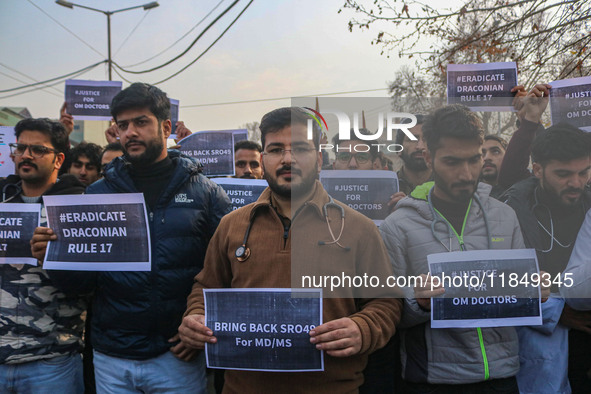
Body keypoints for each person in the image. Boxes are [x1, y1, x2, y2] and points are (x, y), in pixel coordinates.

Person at [178, 107, 402, 393]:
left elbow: (386, 302)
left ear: (320, 159)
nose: (287, 159)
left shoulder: (360, 228)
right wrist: (195, 315)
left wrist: (363, 328)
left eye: (299, 148)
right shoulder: (231, 226)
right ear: (263, 158)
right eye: (275, 149)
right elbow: (205, 288)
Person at [31, 83, 232, 393]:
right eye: (122, 125)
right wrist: (53, 258)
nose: (130, 133)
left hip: (177, 356)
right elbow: (81, 285)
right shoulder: (97, 193)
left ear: (166, 127)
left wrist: (198, 328)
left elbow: (227, 273)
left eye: (141, 122)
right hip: (112, 358)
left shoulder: (206, 193)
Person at [380, 104, 526, 393]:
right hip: (434, 380)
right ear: (429, 158)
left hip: (502, 375)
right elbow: (386, 311)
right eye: (452, 162)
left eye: (474, 160)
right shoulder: (398, 225)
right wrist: (417, 302)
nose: (466, 173)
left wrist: (533, 290)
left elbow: (519, 296)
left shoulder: (504, 215)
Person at [0, 118, 86, 393]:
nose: (26, 155)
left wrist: (54, 257)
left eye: (37, 149)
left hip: (51, 362)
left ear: (59, 159)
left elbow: (89, 286)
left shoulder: (78, 207)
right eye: (20, 147)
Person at [504, 122, 591, 394]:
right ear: (538, 169)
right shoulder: (511, 212)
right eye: (563, 174)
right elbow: (499, 287)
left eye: (585, 172)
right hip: (536, 352)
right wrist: (558, 312)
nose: (576, 183)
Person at [389, 114, 432, 210]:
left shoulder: (446, 188)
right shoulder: (388, 188)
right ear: (399, 149)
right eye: (412, 139)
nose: (420, 146)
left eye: (426, 140)